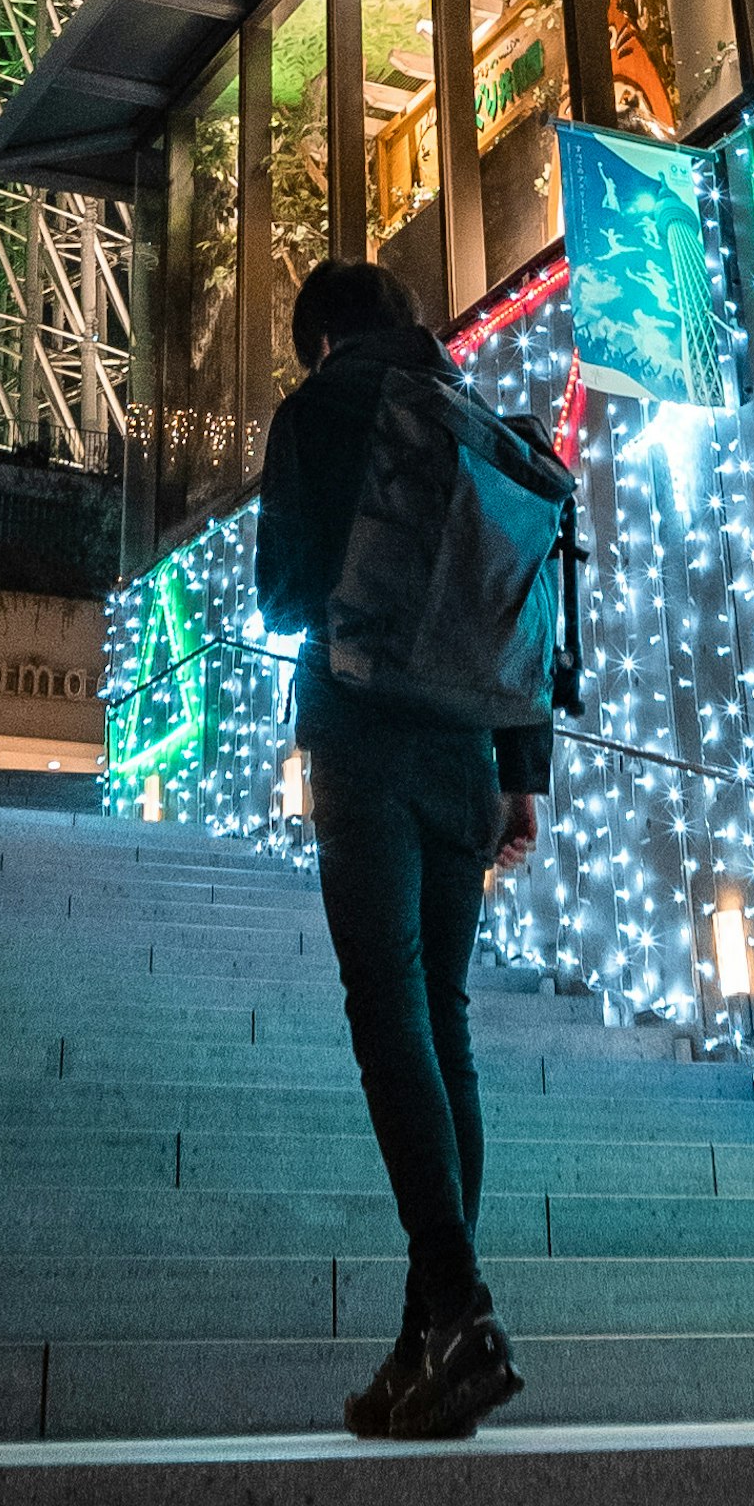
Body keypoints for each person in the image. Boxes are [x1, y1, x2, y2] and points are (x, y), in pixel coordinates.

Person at [255, 259, 544, 1440]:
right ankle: (425, 1340)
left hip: (365, 740)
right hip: (471, 752)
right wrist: (522, 780)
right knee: (445, 1016)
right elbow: (521, 604)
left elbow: (282, 595)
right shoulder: (477, 417)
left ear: (323, 335)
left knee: (388, 1013)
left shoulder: (321, 407)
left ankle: (462, 1307)